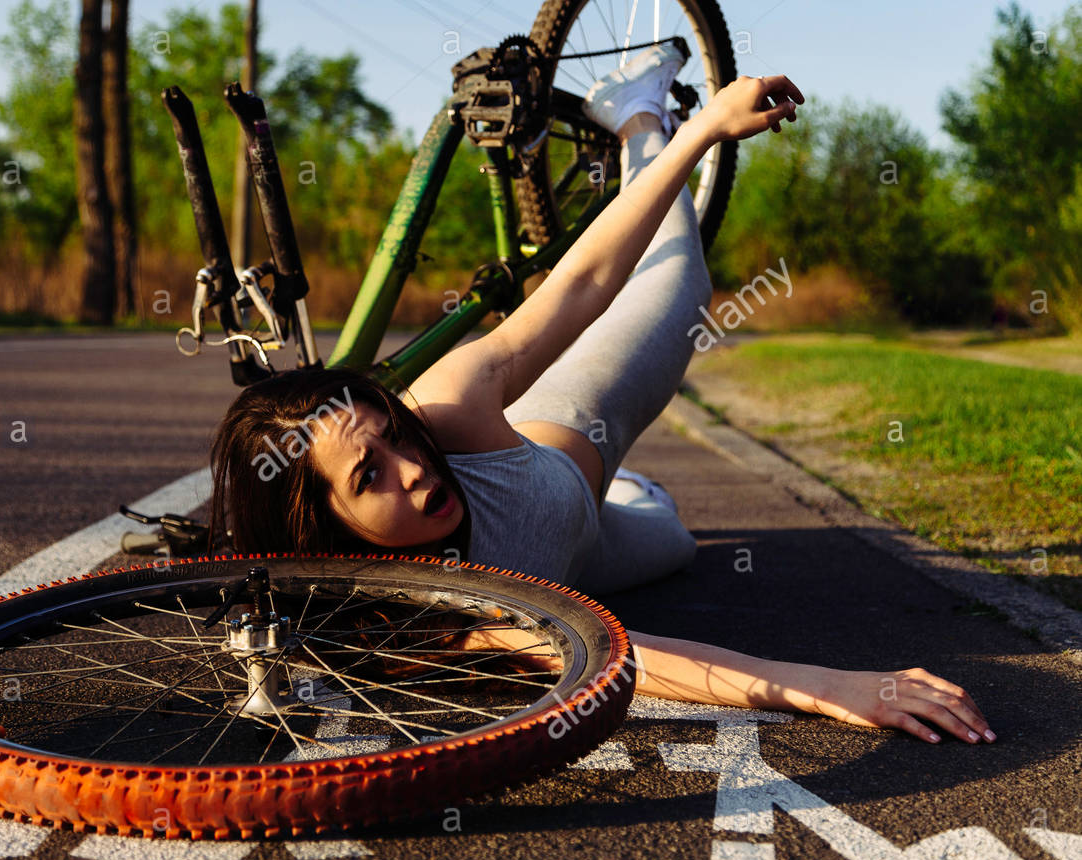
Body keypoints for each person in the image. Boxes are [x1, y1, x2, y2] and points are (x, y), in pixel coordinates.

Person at [207, 45, 995, 747]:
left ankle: (636, 108)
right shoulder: (422, 615)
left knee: (679, 282)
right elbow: (630, 656)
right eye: (367, 478)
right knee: (680, 546)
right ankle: (634, 492)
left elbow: (585, 282)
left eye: (394, 439)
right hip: (583, 550)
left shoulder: (448, 404)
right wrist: (827, 686)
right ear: (325, 528)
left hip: (572, 425)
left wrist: (701, 132)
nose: (412, 467)